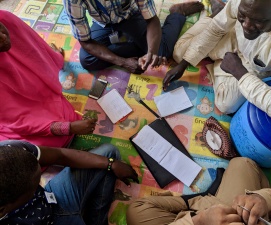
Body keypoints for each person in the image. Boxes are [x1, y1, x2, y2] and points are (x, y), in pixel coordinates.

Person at [163, 0, 271, 126]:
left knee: (225, 104)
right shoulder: (247, 5)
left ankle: (224, 59)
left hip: (252, 65)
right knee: (180, 54)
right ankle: (218, 15)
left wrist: (239, 73)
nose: (246, 25)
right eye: (242, 15)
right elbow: (216, 29)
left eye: (259, 21)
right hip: (234, 37)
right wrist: (184, 64)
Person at [0, 10, 97, 147]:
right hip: (23, 119)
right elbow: (17, 122)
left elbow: (35, 51)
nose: (2, 37)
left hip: (41, 100)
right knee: (32, 151)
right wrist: (68, 128)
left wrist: (53, 56)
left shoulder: (5, 19)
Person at [0, 139, 139, 224]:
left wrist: (111, 164)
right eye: (33, 189)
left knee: (109, 153)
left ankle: (96, 220)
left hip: (55, 199)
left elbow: (60, 155)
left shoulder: (10, 151)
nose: (38, 185)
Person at [127, 157, 271, 225]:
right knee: (241, 164)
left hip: (212, 215)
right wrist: (261, 200)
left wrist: (200, 221)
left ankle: (202, 202)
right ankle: (200, 202)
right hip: (241, 215)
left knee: (138, 211)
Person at [63, 0, 204, 73]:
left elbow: (151, 19)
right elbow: (86, 41)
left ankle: (177, 13)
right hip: (102, 23)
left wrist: (152, 53)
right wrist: (123, 62)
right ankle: (141, 46)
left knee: (162, 52)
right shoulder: (72, 1)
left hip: (131, 15)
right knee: (87, 60)